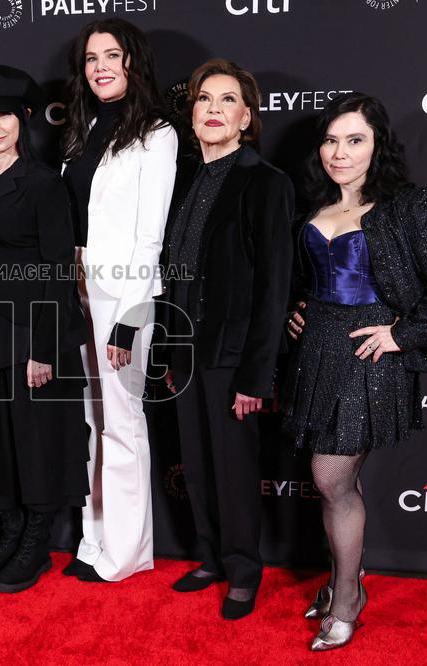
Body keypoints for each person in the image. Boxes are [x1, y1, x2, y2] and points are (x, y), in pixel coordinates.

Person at [283, 92, 427, 650]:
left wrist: (400, 333)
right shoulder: (310, 208)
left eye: (354, 140)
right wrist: (294, 312)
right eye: (331, 139)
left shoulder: (406, 206)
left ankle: (347, 598)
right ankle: (344, 580)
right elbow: (302, 280)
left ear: (377, 146)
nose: (339, 152)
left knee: (329, 478)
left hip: (369, 358)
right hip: (316, 352)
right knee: (335, 483)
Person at [160, 59, 294, 619]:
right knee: (195, 462)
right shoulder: (184, 179)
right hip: (184, 352)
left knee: (235, 471)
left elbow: (274, 287)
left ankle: (243, 570)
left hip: (231, 356)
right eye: (204, 99)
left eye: (227, 101)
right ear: (192, 114)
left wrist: (255, 375)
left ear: (246, 118)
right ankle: (211, 555)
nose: (213, 109)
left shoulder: (265, 183)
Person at [0, 66, 90, 593]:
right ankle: (10, 533)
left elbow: (59, 268)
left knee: (35, 442)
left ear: (24, 119)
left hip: (31, 330)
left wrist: (44, 348)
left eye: (4, 116)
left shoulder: (42, 183)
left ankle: (35, 544)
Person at [60, 19, 178, 583]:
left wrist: (129, 322)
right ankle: (95, 536)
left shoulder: (159, 134)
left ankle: (127, 552)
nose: (101, 66)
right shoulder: (82, 130)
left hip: (124, 295)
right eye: (91, 58)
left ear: (134, 62)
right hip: (81, 285)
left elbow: (149, 235)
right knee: (92, 420)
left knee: (123, 421)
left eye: (113, 55)